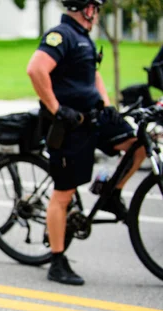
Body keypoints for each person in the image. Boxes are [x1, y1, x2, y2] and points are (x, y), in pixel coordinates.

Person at [26, 0, 146, 286]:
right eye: (96, 7)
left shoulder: (84, 39)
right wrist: (56, 108)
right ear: (87, 9)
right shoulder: (61, 35)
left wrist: (107, 105)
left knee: (137, 144)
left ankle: (111, 192)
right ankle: (57, 260)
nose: (98, 13)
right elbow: (35, 69)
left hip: (94, 117)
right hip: (70, 124)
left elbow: (93, 74)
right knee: (64, 194)